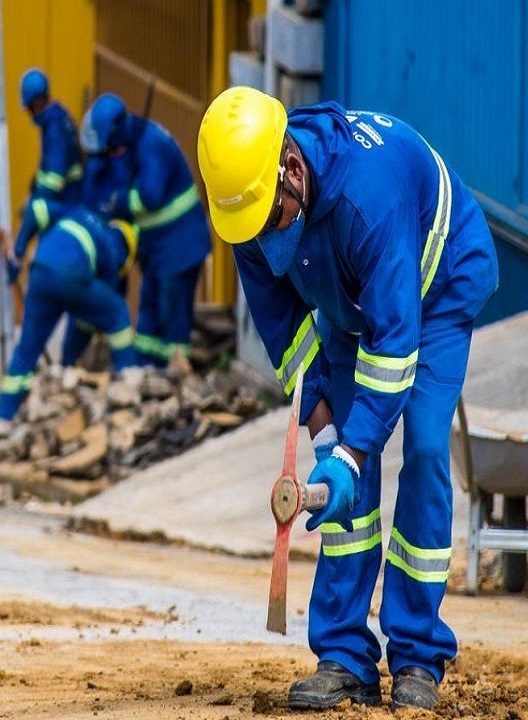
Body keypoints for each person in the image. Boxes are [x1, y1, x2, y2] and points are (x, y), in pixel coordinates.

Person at [196, 87, 499, 711]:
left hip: (434, 286)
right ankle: (343, 656)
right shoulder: (250, 205)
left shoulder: (369, 195)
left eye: (270, 220)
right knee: (343, 482)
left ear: (292, 168)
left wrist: (354, 453)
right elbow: (286, 334)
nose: (261, 237)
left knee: (420, 449)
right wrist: (325, 435)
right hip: (347, 289)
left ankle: (417, 655)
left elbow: (393, 345)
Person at [0, 199, 138, 441]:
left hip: (40, 270)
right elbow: (97, 314)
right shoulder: (111, 250)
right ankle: (130, 380)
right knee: (118, 311)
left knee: (27, 349)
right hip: (71, 276)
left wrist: (18, 252)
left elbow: (36, 209)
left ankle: (1, 422)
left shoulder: (77, 211)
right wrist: (71, 357)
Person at [80, 93, 211, 367]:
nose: (108, 155)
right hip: (157, 249)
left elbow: (150, 196)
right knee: (149, 308)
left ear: (116, 134)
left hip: (180, 247)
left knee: (172, 314)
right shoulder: (131, 144)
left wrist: (119, 201)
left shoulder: (151, 144)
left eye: (108, 148)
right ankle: (144, 370)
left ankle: (173, 376)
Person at [20, 69, 83, 204]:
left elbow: (55, 180)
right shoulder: (60, 118)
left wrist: (33, 202)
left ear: (36, 104)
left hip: (64, 201)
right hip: (71, 196)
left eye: (29, 108)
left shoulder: (54, 130)